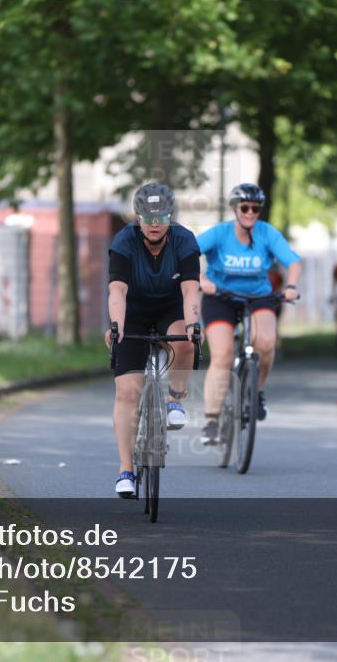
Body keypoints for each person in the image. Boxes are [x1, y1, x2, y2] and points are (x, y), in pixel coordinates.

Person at [106, 181, 201, 497]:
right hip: (132, 312)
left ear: (171, 216)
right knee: (127, 392)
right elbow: (117, 290)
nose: (155, 223)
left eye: (161, 216)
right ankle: (125, 470)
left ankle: (175, 398)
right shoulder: (124, 241)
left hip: (169, 308)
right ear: (138, 217)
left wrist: (193, 323)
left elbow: (190, 290)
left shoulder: (184, 240)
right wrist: (117, 326)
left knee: (185, 341)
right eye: (148, 217)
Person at [196, 183, 301, 444]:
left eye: (256, 208)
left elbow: (294, 262)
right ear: (235, 209)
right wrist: (200, 278)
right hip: (220, 297)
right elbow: (184, 254)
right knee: (222, 355)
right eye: (245, 207)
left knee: (265, 343)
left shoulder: (267, 233)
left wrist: (291, 286)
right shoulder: (220, 234)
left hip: (258, 297)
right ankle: (211, 419)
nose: (250, 212)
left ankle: (257, 391)